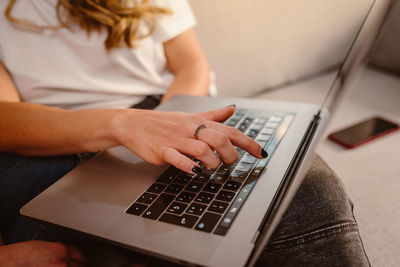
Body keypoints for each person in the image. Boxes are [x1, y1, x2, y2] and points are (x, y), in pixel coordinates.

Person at [0, 0, 370, 266]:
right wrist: (126, 125)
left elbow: (191, 64)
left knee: (302, 191)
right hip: (59, 138)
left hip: (170, 111)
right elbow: (6, 118)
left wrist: (168, 123)